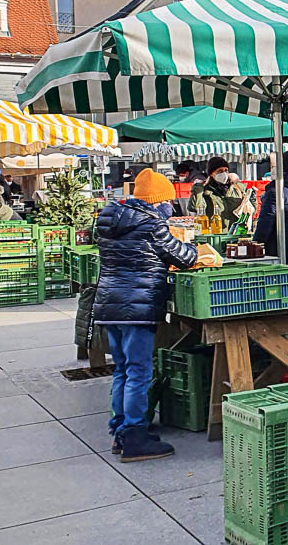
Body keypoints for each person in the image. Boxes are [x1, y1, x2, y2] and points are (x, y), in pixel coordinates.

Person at [95, 169, 198, 462]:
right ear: (157, 201)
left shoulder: (109, 220)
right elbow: (183, 257)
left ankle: (121, 432)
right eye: (167, 201)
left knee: (122, 370)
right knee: (139, 372)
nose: (169, 207)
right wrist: (194, 247)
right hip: (137, 306)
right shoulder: (152, 224)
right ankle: (135, 437)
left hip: (109, 305)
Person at [190, 157, 244, 227]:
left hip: (236, 233)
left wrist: (252, 198)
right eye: (220, 171)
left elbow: (249, 210)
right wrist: (198, 190)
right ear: (212, 173)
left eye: (226, 170)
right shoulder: (204, 191)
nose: (224, 173)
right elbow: (194, 207)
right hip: (215, 234)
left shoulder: (237, 188)